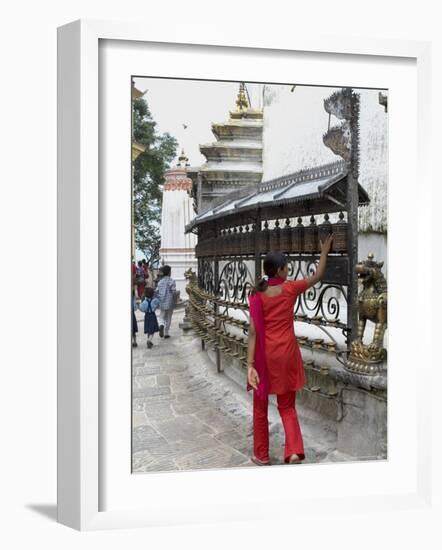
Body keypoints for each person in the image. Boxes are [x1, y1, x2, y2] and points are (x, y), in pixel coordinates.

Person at [246, 233, 334, 466]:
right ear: (281, 270)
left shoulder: (256, 294)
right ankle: (294, 451)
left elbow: (253, 333)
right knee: (287, 407)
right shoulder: (290, 289)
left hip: (264, 358)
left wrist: (250, 365)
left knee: (260, 408)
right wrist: (324, 252)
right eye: (287, 267)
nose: (289, 271)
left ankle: (262, 455)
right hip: (286, 354)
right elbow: (318, 276)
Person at [156, 265, 176, 339]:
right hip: (170, 302)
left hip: (162, 302)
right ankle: (166, 333)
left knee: (162, 316)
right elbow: (173, 291)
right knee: (169, 317)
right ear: (169, 272)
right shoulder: (171, 281)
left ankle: (161, 325)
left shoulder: (160, 282)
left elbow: (157, 291)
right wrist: (174, 300)